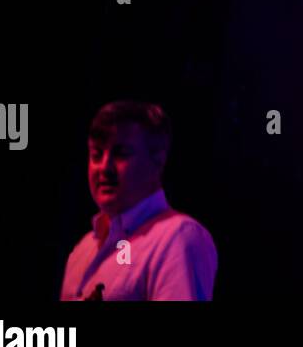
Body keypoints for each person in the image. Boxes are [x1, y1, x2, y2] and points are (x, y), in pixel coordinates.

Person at [60, 100, 217, 301]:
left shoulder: (177, 237)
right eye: (96, 154)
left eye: (121, 154)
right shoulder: (82, 249)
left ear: (158, 160)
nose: (104, 167)